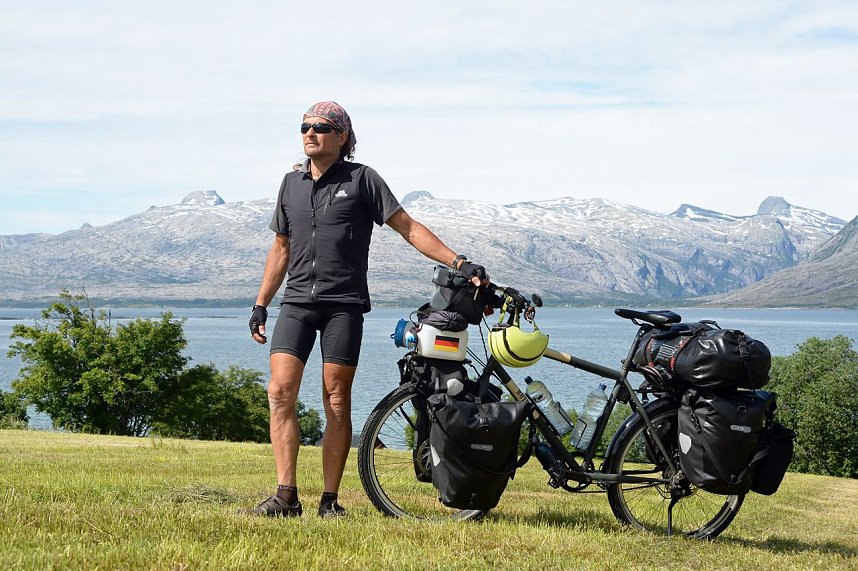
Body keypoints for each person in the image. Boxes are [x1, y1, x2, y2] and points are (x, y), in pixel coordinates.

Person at [245, 101, 488, 518]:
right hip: (298, 304)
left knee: (336, 399)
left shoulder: (363, 180)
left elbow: (408, 227)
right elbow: (280, 248)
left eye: (321, 127)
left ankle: (329, 500)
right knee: (279, 391)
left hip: (344, 307)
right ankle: (286, 495)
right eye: (304, 126)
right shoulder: (290, 184)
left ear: (342, 137)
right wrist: (261, 304)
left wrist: (458, 262)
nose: (310, 133)